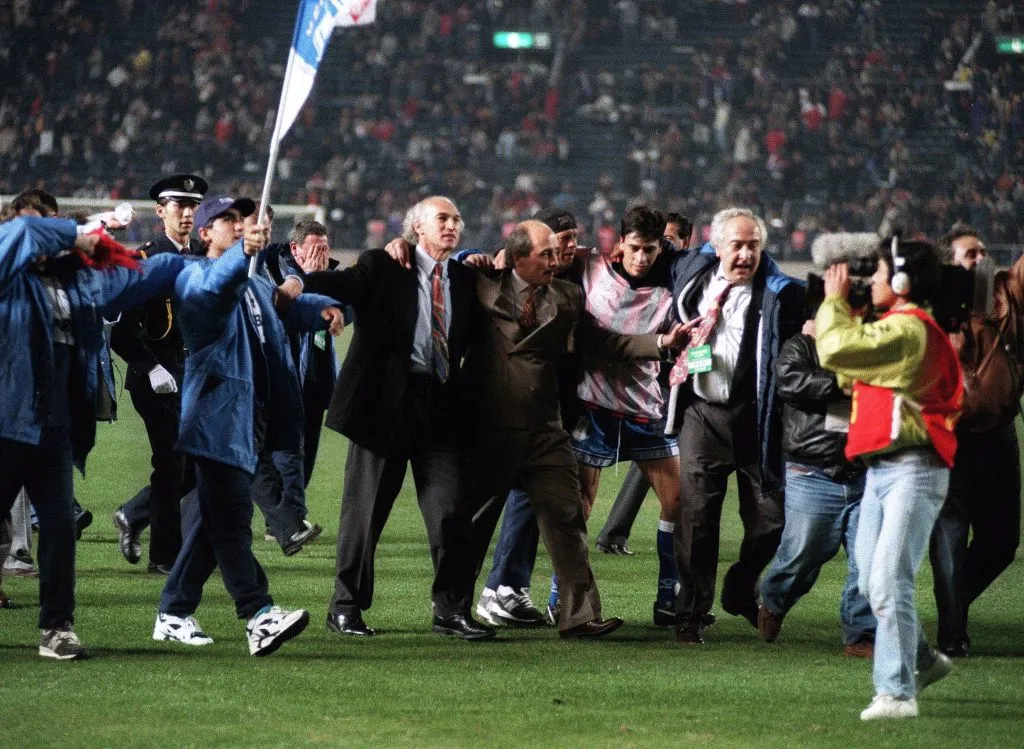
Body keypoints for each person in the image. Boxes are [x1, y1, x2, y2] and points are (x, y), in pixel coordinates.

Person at [464, 219, 687, 638]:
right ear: (517, 258)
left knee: (568, 519)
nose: (556, 260)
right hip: (492, 429)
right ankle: (454, 608)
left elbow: (604, 341)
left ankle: (578, 615)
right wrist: (463, 256)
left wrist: (659, 344)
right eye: (546, 254)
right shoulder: (482, 283)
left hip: (546, 430)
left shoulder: (566, 297)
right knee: (471, 524)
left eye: (556, 252)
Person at [153, 195, 342, 656]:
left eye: (243, 220)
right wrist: (245, 253)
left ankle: (173, 613)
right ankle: (258, 615)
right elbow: (218, 285)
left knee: (213, 523)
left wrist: (329, 308)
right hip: (215, 419)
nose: (239, 226)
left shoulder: (256, 287)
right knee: (232, 522)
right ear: (203, 234)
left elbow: (290, 309)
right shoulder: (195, 277)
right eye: (228, 221)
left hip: (250, 419)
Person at [303, 196, 494, 640]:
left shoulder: (465, 278)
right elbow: (344, 286)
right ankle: (345, 607)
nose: (453, 226)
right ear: (418, 229)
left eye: (457, 219)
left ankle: (450, 611)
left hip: (439, 408)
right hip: (382, 406)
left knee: (451, 510)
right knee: (364, 514)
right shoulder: (384, 264)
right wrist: (308, 272)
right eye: (443, 219)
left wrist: (492, 261)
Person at [1, 211, 187, 659]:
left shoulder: (76, 283)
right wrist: (86, 229)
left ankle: (56, 629)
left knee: (61, 529)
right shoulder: (9, 273)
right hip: (6, 422)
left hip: (53, 424)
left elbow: (142, 277)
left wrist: (207, 260)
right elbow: (22, 231)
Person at [816, 238, 958, 720]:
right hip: (883, 470)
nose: (870, 281)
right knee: (872, 582)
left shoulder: (909, 329)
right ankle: (922, 659)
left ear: (902, 281)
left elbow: (835, 350)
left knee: (887, 579)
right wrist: (844, 324)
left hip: (914, 469)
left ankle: (896, 694)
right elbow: (850, 378)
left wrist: (834, 306)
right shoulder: (898, 329)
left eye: (878, 272)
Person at [669, 207, 805, 644]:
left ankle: (740, 584)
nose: (746, 254)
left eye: (754, 245)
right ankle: (690, 615)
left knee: (773, 521)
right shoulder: (692, 271)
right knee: (695, 519)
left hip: (756, 420)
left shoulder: (783, 294)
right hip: (701, 415)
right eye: (738, 245)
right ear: (717, 245)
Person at [473, 207, 585, 627]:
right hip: (501, 420)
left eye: (573, 240)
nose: (566, 251)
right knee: (495, 512)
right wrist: (477, 256)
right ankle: (490, 592)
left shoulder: (572, 286)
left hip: (555, 414)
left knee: (564, 512)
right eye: (559, 242)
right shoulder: (492, 283)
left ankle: (562, 608)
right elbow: (466, 268)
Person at [756, 299, 876, 656]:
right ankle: (775, 600)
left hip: (866, 468)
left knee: (867, 559)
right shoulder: (801, 345)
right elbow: (792, 383)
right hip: (813, 470)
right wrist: (847, 384)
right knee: (802, 555)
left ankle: (860, 633)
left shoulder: (874, 345)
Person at [929, 226, 1024, 658]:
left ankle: (952, 605)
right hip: (952, 437)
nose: (979, 258)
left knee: (1002, 542)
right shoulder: (936, 301)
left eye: (983, 251)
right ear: (950, 263)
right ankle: (953, 633)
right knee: (949, 537)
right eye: (969, 253)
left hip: (1000, 434)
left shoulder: (1008, 297)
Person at [110, 174, 208, 574]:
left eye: (192, 205)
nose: (186, 213)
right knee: (171, 464)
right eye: (178, 205)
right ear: (160, 211)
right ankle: (165, 557)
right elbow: (121, 329)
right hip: (157, 375)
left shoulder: (205, 255)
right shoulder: (146, 260)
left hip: (195, 373)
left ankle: (135, 514)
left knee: (199, 466)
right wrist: (150, 367)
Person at [596, 212, 694, 557]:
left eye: (665, 244)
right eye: (636, 247)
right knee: (578, 500)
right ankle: (562, 595)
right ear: (622, 243)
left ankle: (670, 592)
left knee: (675, 487)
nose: (647, 256)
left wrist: (686, 369)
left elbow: (701, 348)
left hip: (665, 392)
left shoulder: (684, 282)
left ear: (685, 243)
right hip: (610, 397)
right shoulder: (597, 270)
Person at [248, 214, 327, 556]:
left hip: (311, 375)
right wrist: (302, 281)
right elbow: (277, 310)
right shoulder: (263, 268)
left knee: (296, 451)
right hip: (264, 376)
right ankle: (289, 520)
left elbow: (346, 308)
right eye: (316, 248)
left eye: (327, 248)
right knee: (268, 454)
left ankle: (287, 521)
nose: (322, 254)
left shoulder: (326, 273)